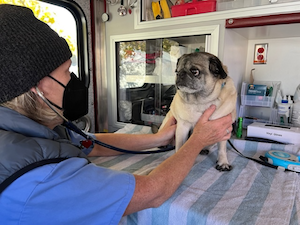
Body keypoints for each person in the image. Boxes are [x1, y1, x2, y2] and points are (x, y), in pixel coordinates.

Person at [0, 4, 233, 225]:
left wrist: (158, 138)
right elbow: (153, 192)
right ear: (36, 87)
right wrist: (198, 140)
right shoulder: (39, 177)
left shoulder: (33, 132)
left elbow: (91, 143)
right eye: (65, 72)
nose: (73, 80)